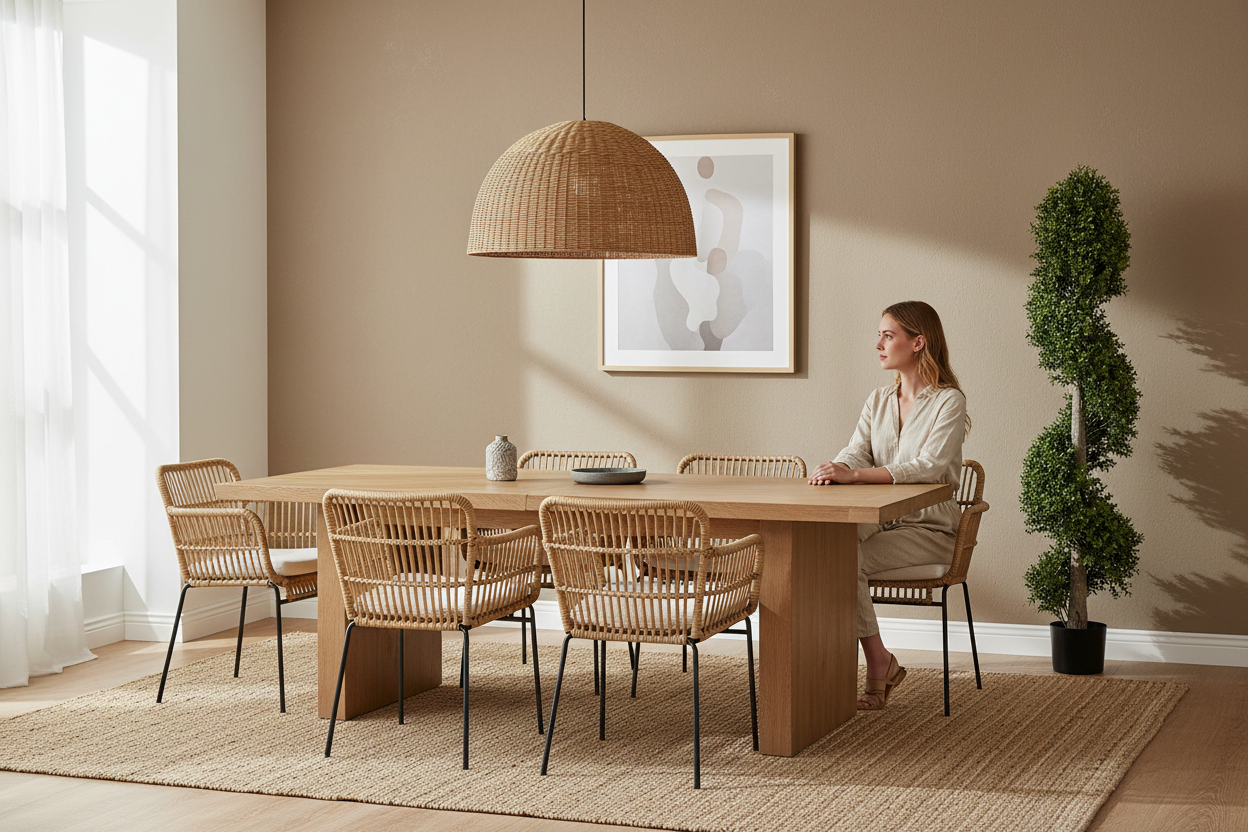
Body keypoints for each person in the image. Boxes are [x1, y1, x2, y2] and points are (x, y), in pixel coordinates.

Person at [809, 301, 969, 710]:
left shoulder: (948, 401)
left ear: (918, 342)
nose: (878, 343)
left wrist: (855, 476)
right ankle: (817, 674)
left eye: (888, 335)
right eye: (879, 334)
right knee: (823, 546)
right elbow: (858, 449)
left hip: (929, 528)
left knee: (843, 560)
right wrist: (838, 467)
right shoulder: (878, 399)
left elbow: (930, 466)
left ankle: (878, 662)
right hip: (880, 519)